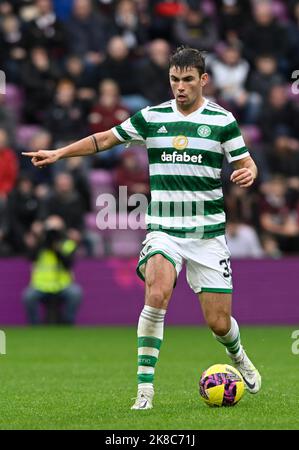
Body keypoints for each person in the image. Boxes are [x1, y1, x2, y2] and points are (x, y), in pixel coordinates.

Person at [23, 46, 261, 410]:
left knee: (218, 322)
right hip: (164, 230)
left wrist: (248, 172)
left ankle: (238, 355)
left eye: (187, 80)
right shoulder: (152, 117)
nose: (180, 87)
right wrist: (58, 153)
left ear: (203, 80)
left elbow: (246, 162)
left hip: (207, 236)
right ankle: (145, 391)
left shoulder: (222, 120)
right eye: (174, 80)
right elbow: (104, 139)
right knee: (157, 293)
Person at [23, 215, 82, 325]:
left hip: (62, 285)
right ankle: (35, 325)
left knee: (75, 293)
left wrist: (57, 249)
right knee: (28, 296)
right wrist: (40, 239)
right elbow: (30, 257)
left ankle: (67, 322)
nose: (53, 234)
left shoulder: (67, 244)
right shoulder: (40, 245)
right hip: (40, 286)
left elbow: (68, 264)